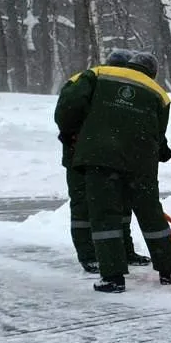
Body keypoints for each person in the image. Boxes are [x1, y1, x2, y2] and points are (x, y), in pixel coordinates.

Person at [53, 50, 171, 292]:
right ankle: (169, 271)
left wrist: (72, 133)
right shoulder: (159, 93)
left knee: (105, 214)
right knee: (151, 212)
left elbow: (69, 104)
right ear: (151, 72)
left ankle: (113, 278)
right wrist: (162, 150)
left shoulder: (97, 75)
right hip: (140, 160)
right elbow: (156, 130)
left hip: (101, 157)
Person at [59, 50, 153, 274]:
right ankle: (89, 255)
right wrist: (74, 135)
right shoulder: (88, 81)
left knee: (119, 206)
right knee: (85, 206)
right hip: (80, 157)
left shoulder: (117, 87)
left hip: (114, 157)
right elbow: (67, 112)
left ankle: (124, 252)